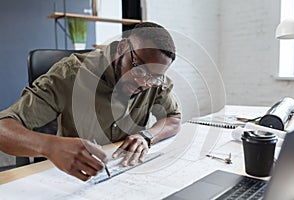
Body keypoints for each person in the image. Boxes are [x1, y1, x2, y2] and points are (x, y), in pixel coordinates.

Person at [0, 22, 181, 181]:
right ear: (123, 47)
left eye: (153, 77)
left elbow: (173, 118)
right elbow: (3, 128)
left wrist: (147, 136)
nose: (143, 82)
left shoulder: (154, 80)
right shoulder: (70, 74)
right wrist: (48, 146)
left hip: (123, 176)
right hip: (72, 176)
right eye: (138, 70)